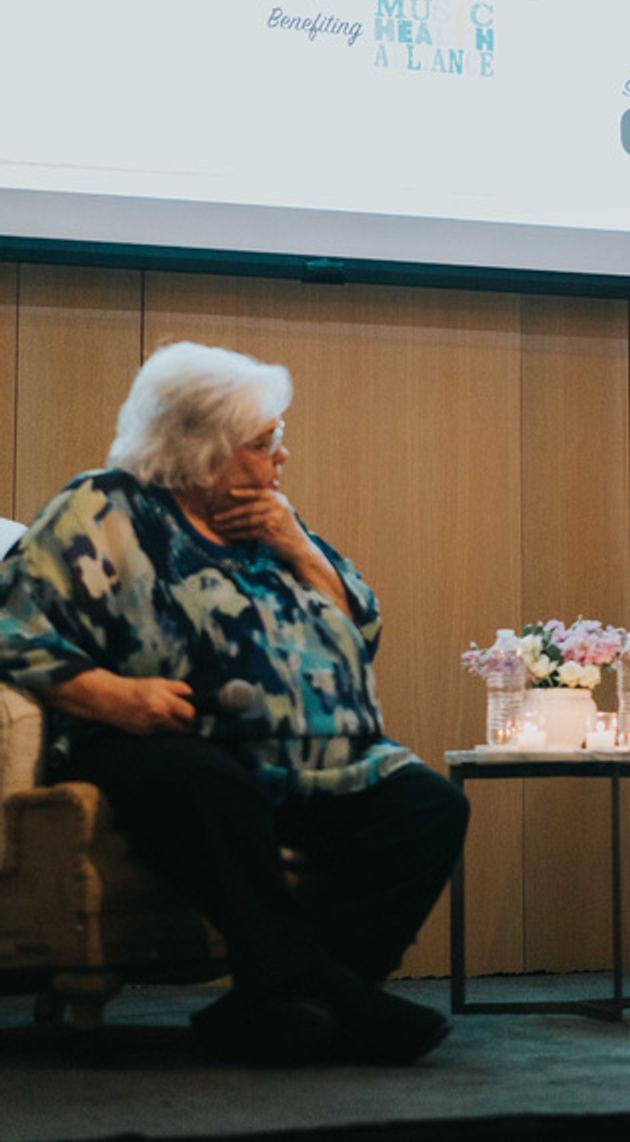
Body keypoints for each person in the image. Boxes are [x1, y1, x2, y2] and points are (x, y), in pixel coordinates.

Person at [0, 341, 468, 1065]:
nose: (281, 455)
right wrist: (116, 697)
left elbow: (361, 627)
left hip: (313, 760)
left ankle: (281, 1005)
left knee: (429, 807)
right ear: (200, 449)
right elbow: (14, 627)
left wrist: (299, 548)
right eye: (263, 441)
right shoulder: (104, 508)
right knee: (212, 784)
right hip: (155, 737)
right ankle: (335, 999)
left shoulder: (268, 519)